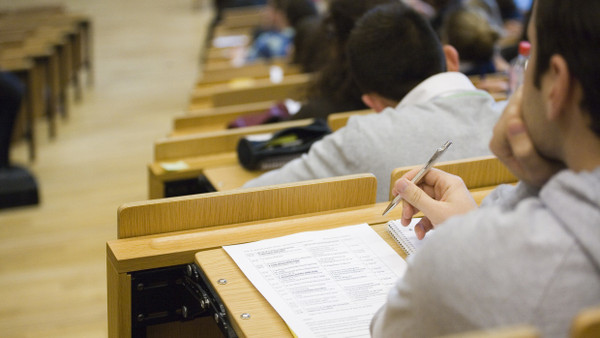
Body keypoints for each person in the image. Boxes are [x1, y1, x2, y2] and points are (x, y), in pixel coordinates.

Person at [374, 0, 600, 336]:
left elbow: (384, 328)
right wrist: (539, 180)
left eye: (530, 54)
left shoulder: (462, 261)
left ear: (557, 83)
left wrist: (468, 234)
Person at [243, 3, 504, 202]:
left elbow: (246, 200)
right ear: (450, 58)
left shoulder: (363, 139)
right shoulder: (516, 121)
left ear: (373, 102)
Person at [245, 0, 318, 62]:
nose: (265, 12)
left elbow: (246, 63)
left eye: (270, 7)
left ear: (281, 14)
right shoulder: (312, 39)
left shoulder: (266, 42)